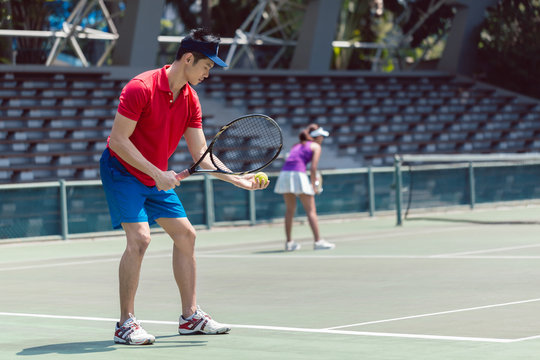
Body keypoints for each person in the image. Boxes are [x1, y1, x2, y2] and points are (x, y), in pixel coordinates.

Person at [100, 28, 268, 345]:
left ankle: (190, 317)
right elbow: (119, 142)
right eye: (206, 66)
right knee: (140, 238)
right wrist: (156, 172)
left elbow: (201, 156)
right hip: (121, 170)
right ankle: (125, 323)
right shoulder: (141, 87)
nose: (208, 73)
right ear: (188, 58)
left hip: (153, 175)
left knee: (186, 235)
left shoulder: (191, 99)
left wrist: (238, 179)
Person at [273, 124, 336, 251]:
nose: (322, 139)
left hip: (284, 174)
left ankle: (289, 243)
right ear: (316, 137)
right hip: (298, 175)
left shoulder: (296, 145)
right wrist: (314, 185)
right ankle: (318, 241)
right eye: (321, 136)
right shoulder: (316, 146)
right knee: (311, 210)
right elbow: (313, 168)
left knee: (289, 210)